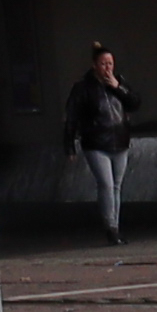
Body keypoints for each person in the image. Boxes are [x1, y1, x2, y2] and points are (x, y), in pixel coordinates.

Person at [63, 42, 136, 246]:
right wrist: (69, 144)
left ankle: (116, 226)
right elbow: (71, 117)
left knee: (116, 186)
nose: (108, 68)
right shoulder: (83, 88)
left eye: (110, 63)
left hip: (120, 141)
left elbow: (134, 102)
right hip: (96, 142)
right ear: (94, 65)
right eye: (103, 63)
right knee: (106, 183)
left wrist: (118, 88)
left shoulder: (118, 82)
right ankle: (110, 228)